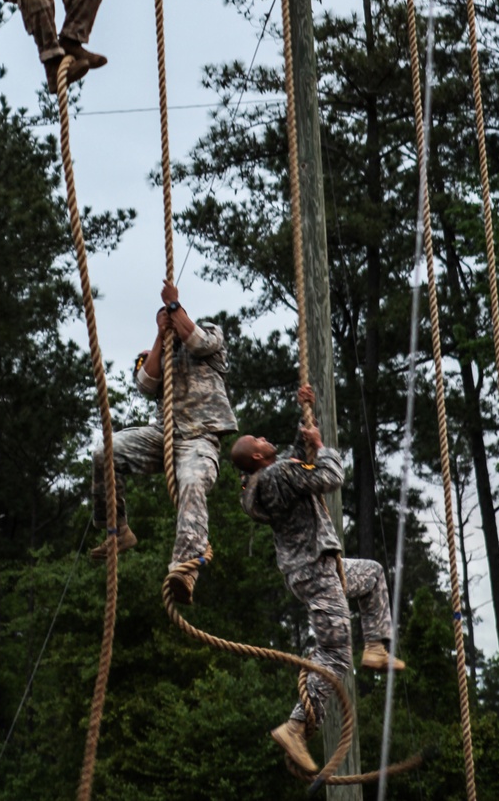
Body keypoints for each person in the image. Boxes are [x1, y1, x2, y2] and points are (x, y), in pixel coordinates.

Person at [231, 383, 406, 776]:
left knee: (373, 574)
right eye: (259, 440)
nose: (264, 438)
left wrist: (304, 419)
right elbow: (328, 476)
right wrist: (322, 445)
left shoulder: (260, 483)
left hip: (317, 569)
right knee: (334, 655)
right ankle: (295, 726)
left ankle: (375, 645)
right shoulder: (277, 476)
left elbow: (292, 462)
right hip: (316, 571)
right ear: (258, 456)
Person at [89, 281, 237, 604]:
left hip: (200, 437)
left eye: (173, 319)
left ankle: (185, 568)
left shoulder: (211, 336)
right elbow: (145, 382)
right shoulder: (156, 353)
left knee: (192, 481)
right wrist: (159, 335)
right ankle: (117, 529)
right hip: (164, 436)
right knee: (105, 452)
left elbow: (195, 340)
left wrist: (173, 306)